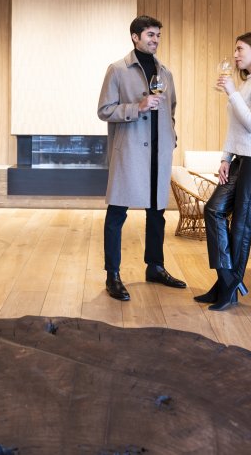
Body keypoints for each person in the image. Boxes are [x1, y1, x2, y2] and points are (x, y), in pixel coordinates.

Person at [97, 15, 186, 301]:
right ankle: (113, 274)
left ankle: (155, 267)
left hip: (159, 153)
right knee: (116, 214)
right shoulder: (117, 70)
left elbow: (170, 109)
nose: (155, 40)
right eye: (150, 35)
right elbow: (104, 110)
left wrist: (171, 136)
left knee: (157, 213)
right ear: (135, 37)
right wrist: (138, 106)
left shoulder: (166, 72)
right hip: (131, 152)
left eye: (158, 35)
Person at [196, 31, 251, 311]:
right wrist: (225, 158)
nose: (235, 55)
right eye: (235, 50)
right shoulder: (246, 83)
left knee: (241, 223)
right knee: (213, 209)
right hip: (241, 158)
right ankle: (228, 280)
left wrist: (232, 93)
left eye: (240, 49)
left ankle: (227, 288)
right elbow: (236, 126)